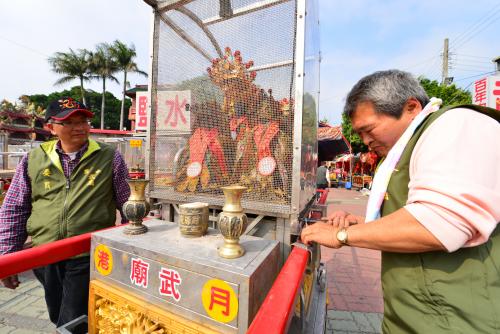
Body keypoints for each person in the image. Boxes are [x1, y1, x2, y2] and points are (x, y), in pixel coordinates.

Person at [301, 70, 500, 333]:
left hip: (456, 321)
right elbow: (411, 217)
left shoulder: (457, 125)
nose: (366, 141)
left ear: (411, 108)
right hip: (412, 318)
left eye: (368, 130)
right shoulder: (404, 151)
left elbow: (439, 223)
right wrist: (360, 223)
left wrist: (342, 234)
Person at [0, 97, 131, 327]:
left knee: (73, 318)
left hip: (86, 253)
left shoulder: (109, 157)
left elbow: (128, 204)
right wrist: (8, 258)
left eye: (83, 121)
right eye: (69, 122)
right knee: (58, 313)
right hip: (44, 255)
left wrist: (130, 253)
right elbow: (15, 208)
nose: (79, 127)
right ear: (51, 128)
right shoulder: (33, 159)